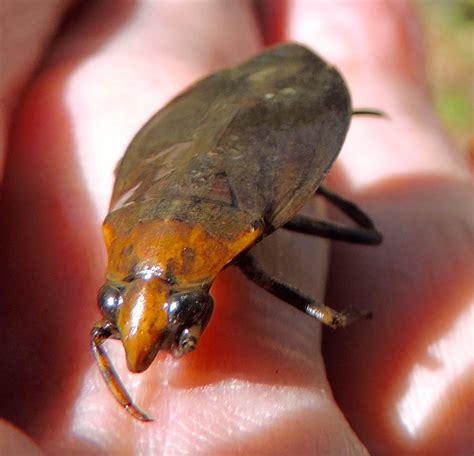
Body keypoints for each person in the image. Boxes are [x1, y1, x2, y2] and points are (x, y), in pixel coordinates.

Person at [1, 1, 472, 454]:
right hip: (212, 145)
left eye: (115, 302)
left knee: (361, 239)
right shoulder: (128, 236)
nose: (139, 341)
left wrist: (331, 310)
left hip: (247, 133)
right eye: (116, 303)